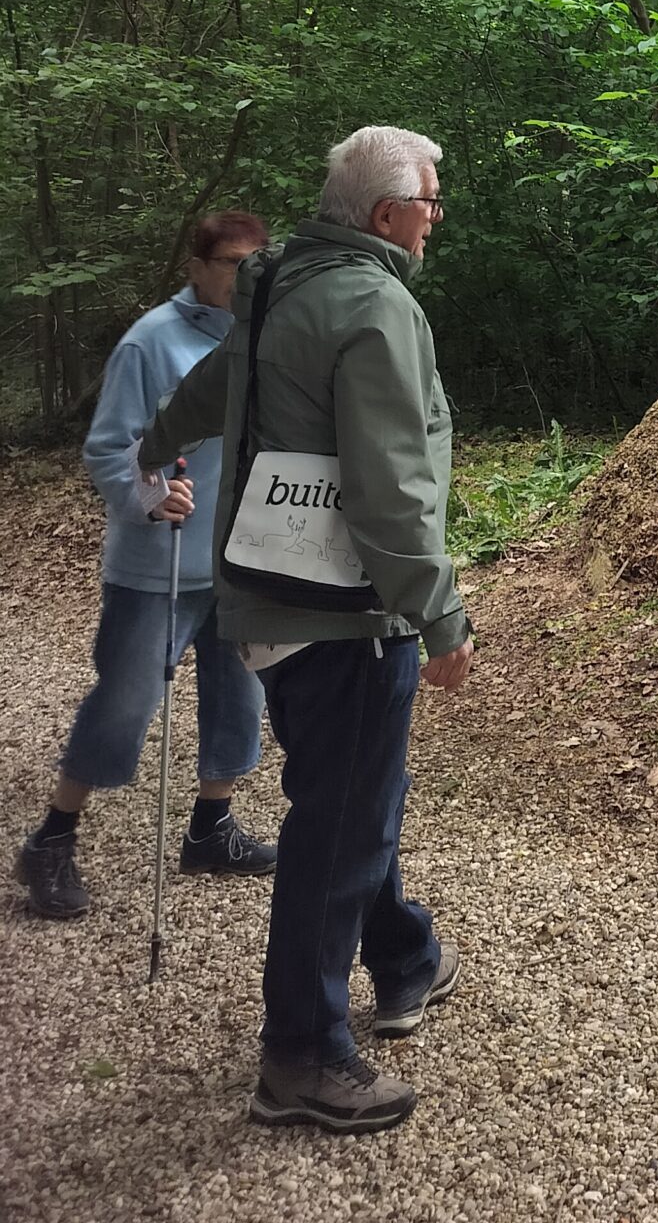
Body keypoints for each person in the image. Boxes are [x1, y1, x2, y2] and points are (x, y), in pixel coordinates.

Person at [136, 127, 472, 1137]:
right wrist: (440, 611)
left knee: (346, 791)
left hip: (269, 604)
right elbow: (392, 486)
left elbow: (209, 387)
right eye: (431, 197)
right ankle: (302, 1056)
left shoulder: (279, 283)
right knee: (341, 819)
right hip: (345, 612)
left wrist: (158, 447)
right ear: (385, 216)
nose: (437, 213)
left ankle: (405, 954)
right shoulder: (375, 302)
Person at [15, 212, 276, 920]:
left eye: (258, 264)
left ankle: (210, 829)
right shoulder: (150, 341)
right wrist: (153, 494)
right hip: (156, 566)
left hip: (240, 559)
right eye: (231, 264)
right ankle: (52, 838)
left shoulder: (268, 338)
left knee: (239, 701)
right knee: (125, 703)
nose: (246, 277)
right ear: (197, 267)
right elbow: (107, 449)